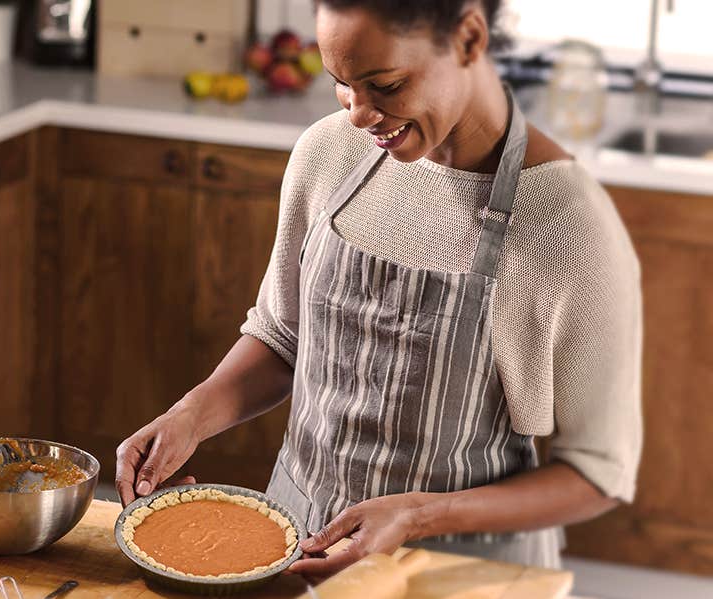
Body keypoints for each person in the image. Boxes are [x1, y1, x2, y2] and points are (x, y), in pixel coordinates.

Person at [115, 0, 642, 583]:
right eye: (341, 84)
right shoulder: (329, 153)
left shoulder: (567, 224)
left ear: (468, 38)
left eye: (385, 84)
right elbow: (284, 337)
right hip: (295, 547)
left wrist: (419, 515)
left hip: (460, 572)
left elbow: (599, 472)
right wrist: (192, 415)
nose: (360, 115)